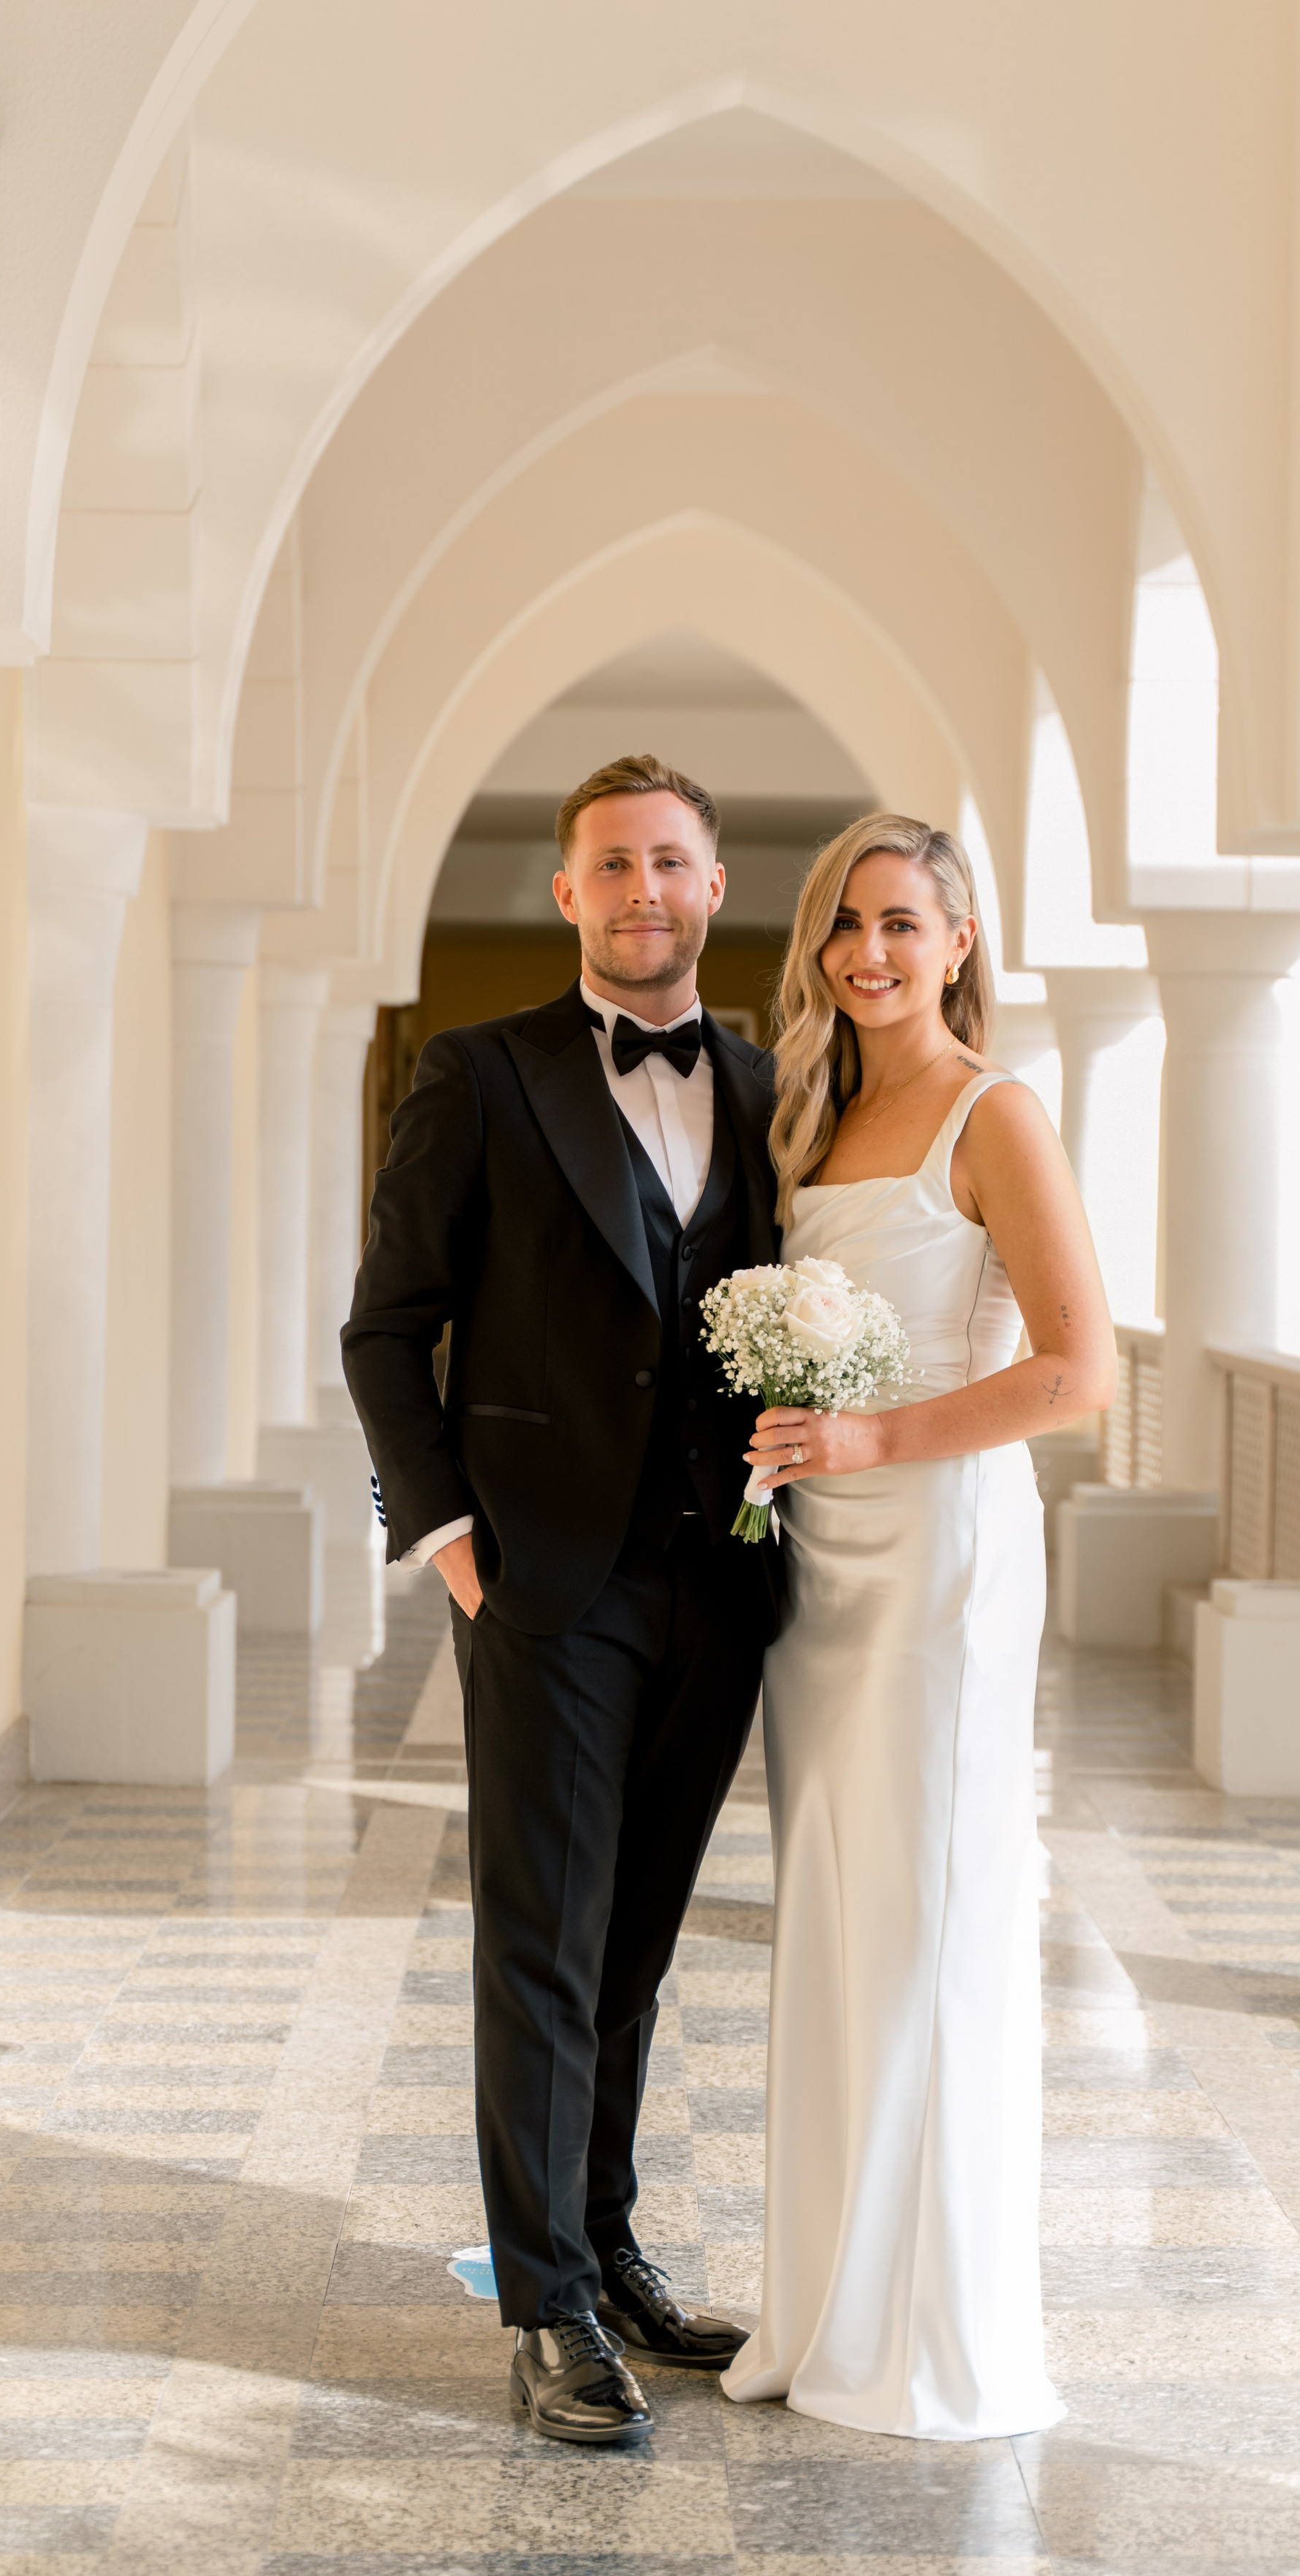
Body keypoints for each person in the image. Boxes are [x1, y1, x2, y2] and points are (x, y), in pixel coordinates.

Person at [342, 755, 781, 2446]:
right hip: (539, 1577)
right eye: (611, 865)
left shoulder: (763, 1084)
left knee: (637, 1943)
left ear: (712, 882)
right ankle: (543, 2314)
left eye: (669, 861)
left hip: (720, 1577)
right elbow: (384, 1330)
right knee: (539, 1939)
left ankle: (603, 2246)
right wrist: (443, 1534)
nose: (641, 891)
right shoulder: (480, 1074)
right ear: (568, 893)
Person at [721, 811, 1115, 2441]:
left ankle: (925, 2331)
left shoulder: (991, 1112)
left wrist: (878, 1439)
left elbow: (1077, 1373)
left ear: (958, 940)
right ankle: (825, 2306)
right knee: (835, 1913)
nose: (866, 953)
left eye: (899, 924)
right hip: (819, 1567)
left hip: (939, 1556)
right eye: (840, 927)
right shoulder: (811, 1117)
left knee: (928, 1922)